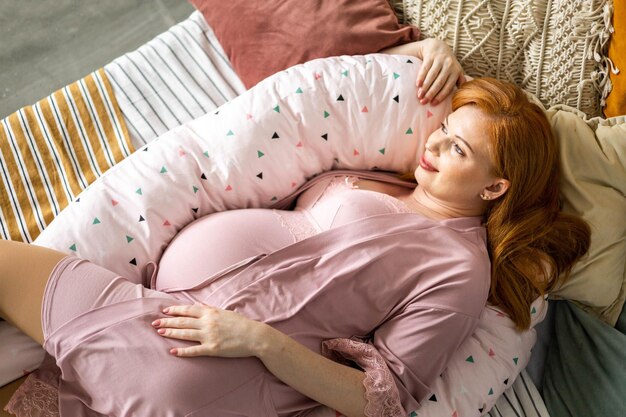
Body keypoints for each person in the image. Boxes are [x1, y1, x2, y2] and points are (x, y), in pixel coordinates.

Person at [0, 41, 589, 417]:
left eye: (456, 146)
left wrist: (256, 340)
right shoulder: (387, 178)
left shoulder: (460, 270)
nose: (432, 140)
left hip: (199, 362)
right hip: (160, 307)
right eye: (444, 128)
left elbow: (383, 401)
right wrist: (425, 50)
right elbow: (351, 88)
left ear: (495, 189)